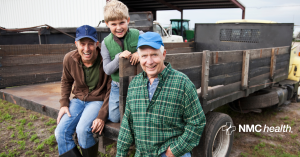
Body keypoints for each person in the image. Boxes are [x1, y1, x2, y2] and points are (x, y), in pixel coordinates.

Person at [116, 32, 206, 157]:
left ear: (163, 54)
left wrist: (175, 150)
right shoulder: (134, 85)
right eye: (144, 56)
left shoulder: (182, 83)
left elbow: (197, 122)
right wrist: (120, 154)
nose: (149, 61)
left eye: (154, 55)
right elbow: (127, 123)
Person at [55, 25, 111, 157]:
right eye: (82, 44)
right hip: (78, 100)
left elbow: (110, 90)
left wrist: (102, 115)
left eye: (90, 44)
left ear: (97, 44)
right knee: (60, 132)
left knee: (83, 130)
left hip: (97, 100)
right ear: (76, 44)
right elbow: (66, 81)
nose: (86, 49)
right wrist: (64, 103)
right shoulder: (69, 59)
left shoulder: (105, 60)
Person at [100, 0, 144, 123]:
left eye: (122, 23)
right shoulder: (105, 43)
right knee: (114, 118)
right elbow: (107, 69)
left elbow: (154, 47)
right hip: (117, 85)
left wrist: (139, 52)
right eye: (113, 24)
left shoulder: (139, 34)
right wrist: (118, 57)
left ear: (128, 20)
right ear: (107, 24)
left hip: (138, 83)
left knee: (139, 112)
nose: (118, 27)